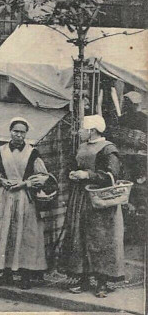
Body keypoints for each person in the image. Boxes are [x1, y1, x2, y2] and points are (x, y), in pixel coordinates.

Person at [0, 117, 49, 289]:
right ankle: (5, 273)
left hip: (25, 198)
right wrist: (1, 181)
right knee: (3, 233)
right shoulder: (0, 151)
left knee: (25, 235)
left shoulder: (33, 153)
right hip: (4, 197)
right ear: (10, 132)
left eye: (22, 132)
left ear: (26, 134)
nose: (18, 135)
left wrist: (26, 183)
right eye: (15, 131)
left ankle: (25, 275)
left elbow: (43, 176)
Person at [60, 114, 125, 298]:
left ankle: (102, 282)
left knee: (100, 239)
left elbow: (112, 177)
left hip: (100, 202)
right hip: (81, 198)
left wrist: (87, 175)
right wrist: (73, 174)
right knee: (80, 237)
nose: (79, 131)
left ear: (92, 130)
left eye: (82, 128)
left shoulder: (108, 149)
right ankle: (84, 278)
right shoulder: (82, 146)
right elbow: (75, 166)